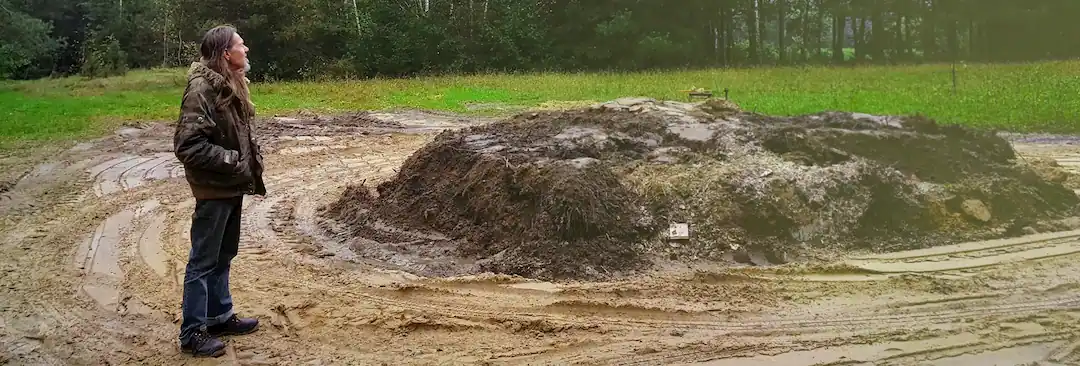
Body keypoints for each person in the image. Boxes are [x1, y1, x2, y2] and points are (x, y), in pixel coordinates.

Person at [173, 24, 266, 358]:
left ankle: (219, 316)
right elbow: (187, 145)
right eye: (241, 44)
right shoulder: (202, 89)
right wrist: (231, 160)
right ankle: (192, 333)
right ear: (226, 53)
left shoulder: (231, 84)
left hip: (231, 186)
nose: (247, 49)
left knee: (223, 256)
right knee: (202, 262)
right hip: (214, 188)